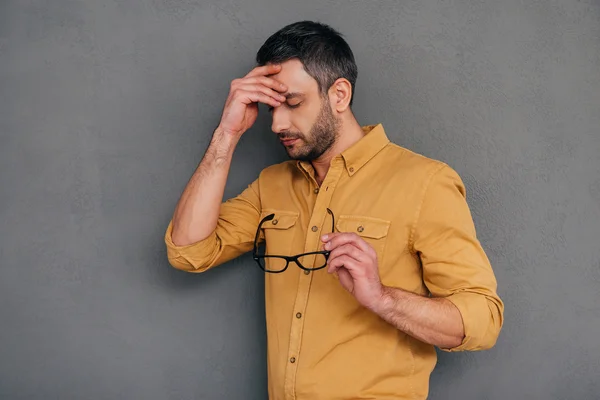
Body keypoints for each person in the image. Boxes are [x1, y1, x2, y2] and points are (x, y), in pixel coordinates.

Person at [164, 20, 504, 400]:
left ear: (339, 94)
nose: (277, 124)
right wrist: (227, 134)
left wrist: (381, 297)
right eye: (270, 108)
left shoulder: (425, 182)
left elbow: (481, 320)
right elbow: (189, 251)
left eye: (292, 103)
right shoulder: (272, 184)